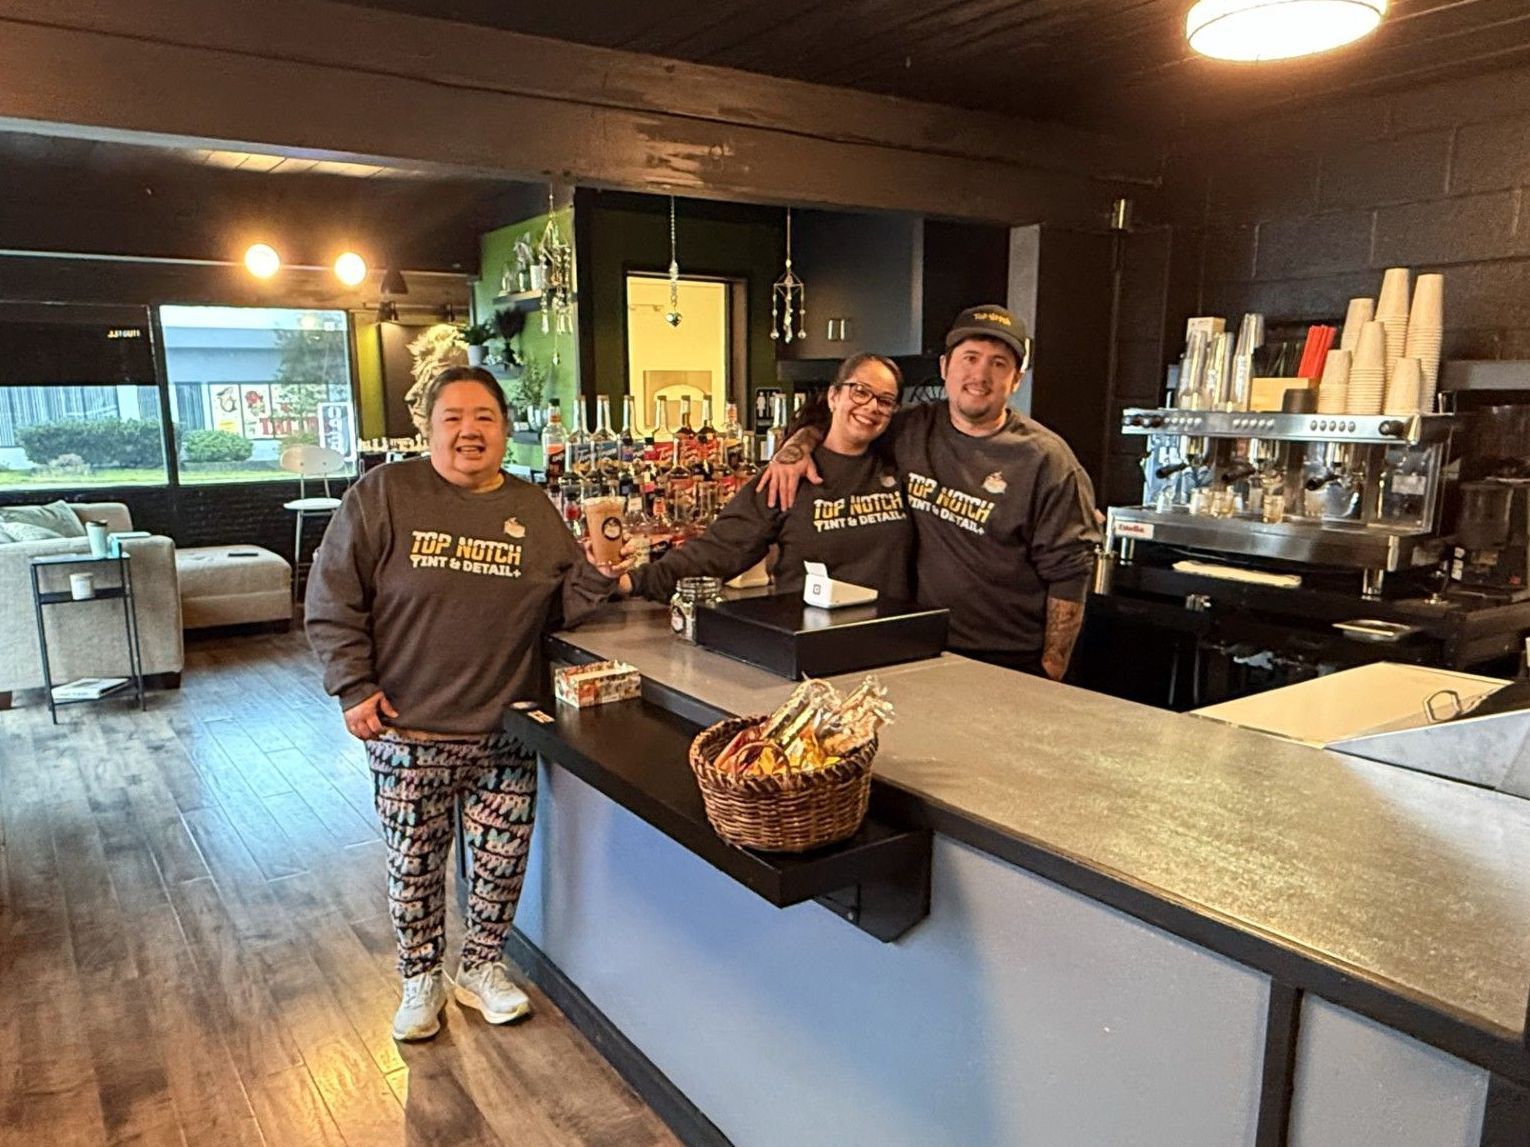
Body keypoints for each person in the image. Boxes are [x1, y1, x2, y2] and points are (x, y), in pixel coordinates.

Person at [305, 365, 614, 1042]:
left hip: (504, 728)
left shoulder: (534, 509)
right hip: (406, 727)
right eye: (453, 418)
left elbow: (558, 607)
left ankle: (480, 966)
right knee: (413, 863)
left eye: (484, 418)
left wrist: (599, 573)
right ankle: (420, 977)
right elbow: (333, 595)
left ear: (505, 429)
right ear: (429, 427)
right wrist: (351, 685)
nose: (469, 431)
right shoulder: (384, 494)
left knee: (502, 862)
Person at [764, 305, 1100, 680]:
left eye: (999, 364)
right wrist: (797, 446)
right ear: (945, 367)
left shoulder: (1047, 461)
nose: (980, 375)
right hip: (917, 645)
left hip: (1006, 658)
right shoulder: (911, 428)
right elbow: (843, 425)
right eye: (969, 358)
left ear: (1017, 379)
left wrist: (1051, 670)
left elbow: (1071, 572)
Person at [622, 354, 913, 603]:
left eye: (886, 401)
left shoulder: (900, 464)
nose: (872, 406)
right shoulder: (788, 475)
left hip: (894, 637)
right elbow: (720, 549)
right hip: (811, 641)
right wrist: (635, 581)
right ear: (834, 396)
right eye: (860, 391)